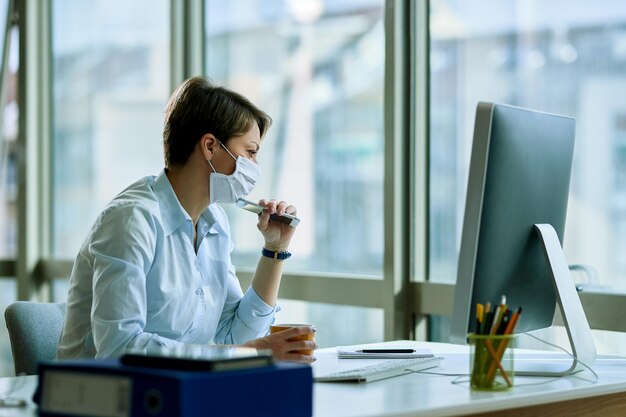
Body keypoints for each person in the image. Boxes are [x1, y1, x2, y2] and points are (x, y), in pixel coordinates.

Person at [57, 76, 316, 363]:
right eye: (250, 152)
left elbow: (233, 337)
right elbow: (120, 347)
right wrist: (253, 351)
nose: (255, 167)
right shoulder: (132, 220)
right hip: (104, 397)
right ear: (209, 146)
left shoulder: (214, 223)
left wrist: (274, 250)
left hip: (175, 391)